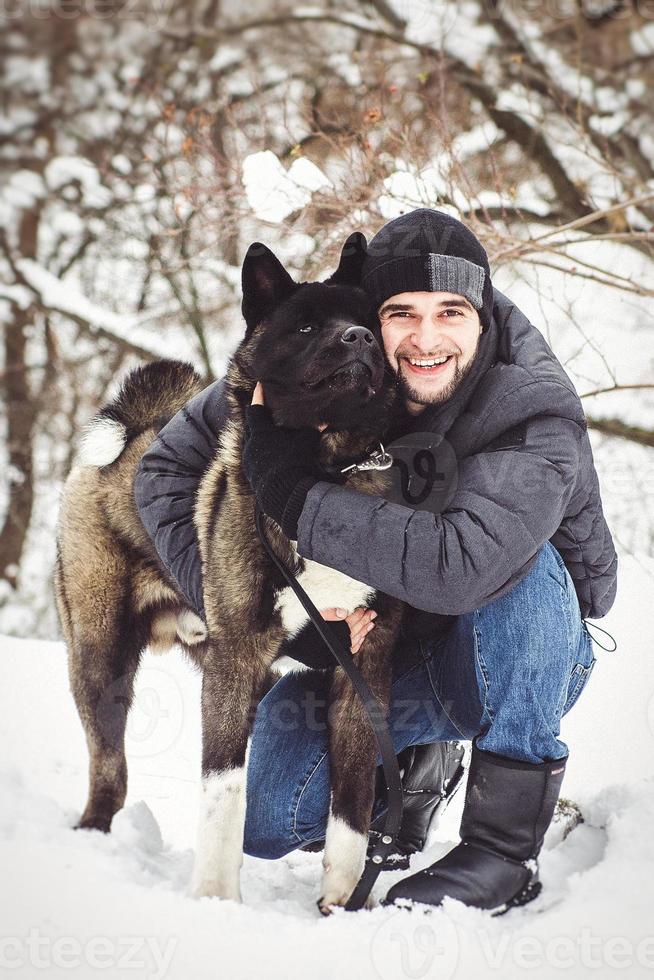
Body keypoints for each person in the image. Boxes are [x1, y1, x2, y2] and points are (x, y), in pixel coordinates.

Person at [134, 208, 617, 912]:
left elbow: (464, 568)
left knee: (525, 564)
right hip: (383, 654)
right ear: (369, 315)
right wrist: (247, 608)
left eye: (451, 312)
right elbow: (164, 472)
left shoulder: (531, 407)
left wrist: (292, 493)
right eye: (401, 314)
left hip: (514, 656)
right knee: (268, 822)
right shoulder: (311, 366)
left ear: (481, 316)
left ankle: (502, 849)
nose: (426, 339)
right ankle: (418, 763)